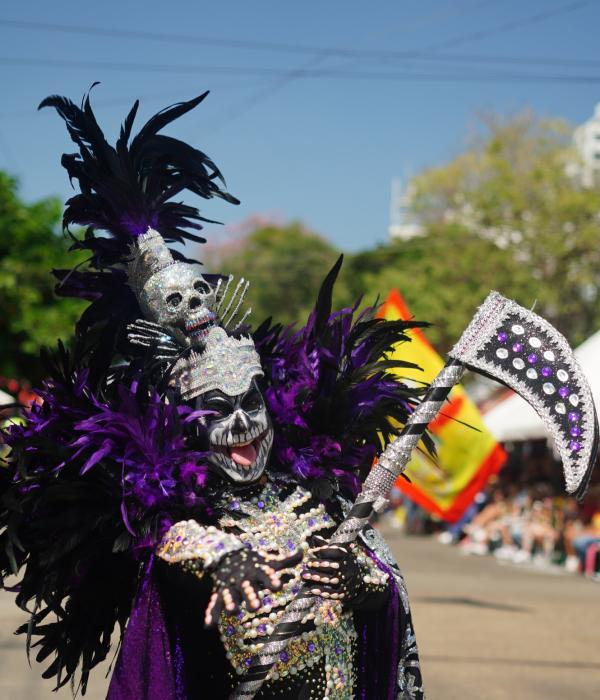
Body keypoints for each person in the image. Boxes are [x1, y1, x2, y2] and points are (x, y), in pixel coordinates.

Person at [0, 91, 426, 699]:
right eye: (217, 412)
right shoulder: (185, 508)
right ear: (188, 426)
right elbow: (173, 544)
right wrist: (225, 560)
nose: (241, 426)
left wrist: (361, 579)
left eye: (251, 403)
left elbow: (384, 592)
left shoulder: (318, 493)